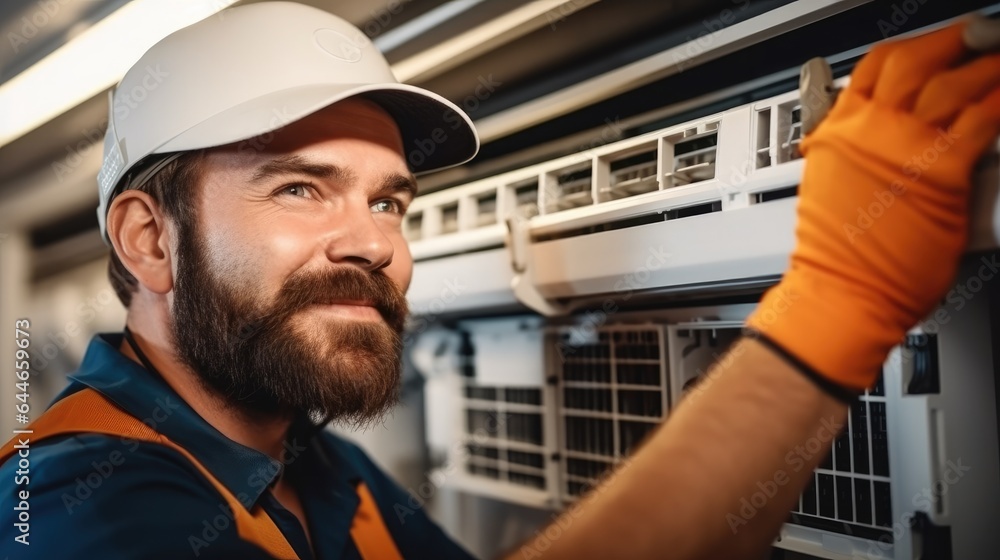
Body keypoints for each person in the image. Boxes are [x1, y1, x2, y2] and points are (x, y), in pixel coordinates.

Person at [1, 2, 998, 559]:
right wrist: (840, 296)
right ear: (149, 238)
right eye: (302, 187)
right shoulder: (75, 508)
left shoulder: (313, 471)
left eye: (388, 200)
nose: (372, 242)